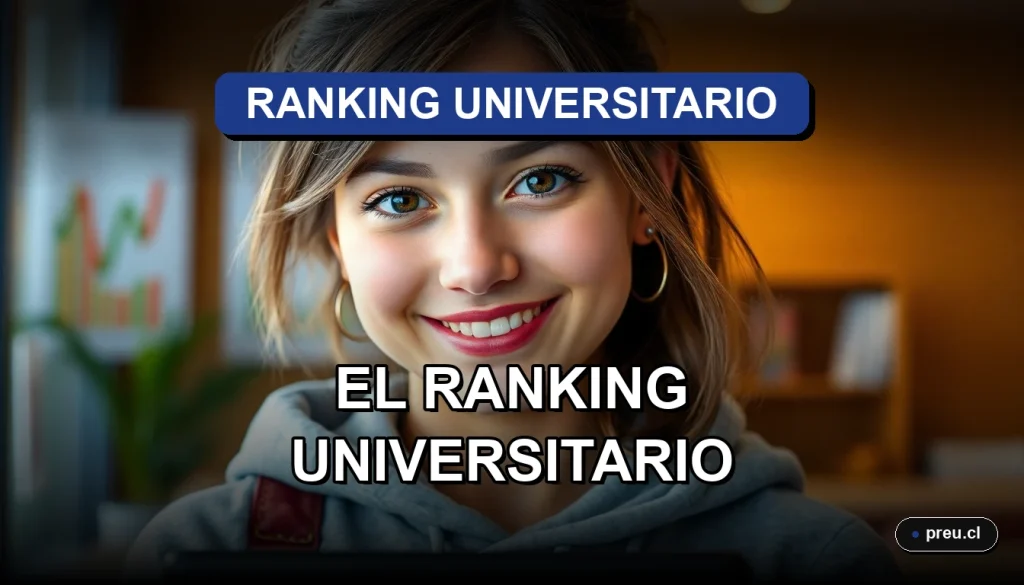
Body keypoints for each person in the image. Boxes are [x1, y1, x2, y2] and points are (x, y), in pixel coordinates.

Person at [126, 0, 902, 580]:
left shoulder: (815, 563)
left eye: (540, 180)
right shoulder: (200, 551)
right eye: (399, 200)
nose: (474, 265)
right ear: (337, 237)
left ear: (646, 194)